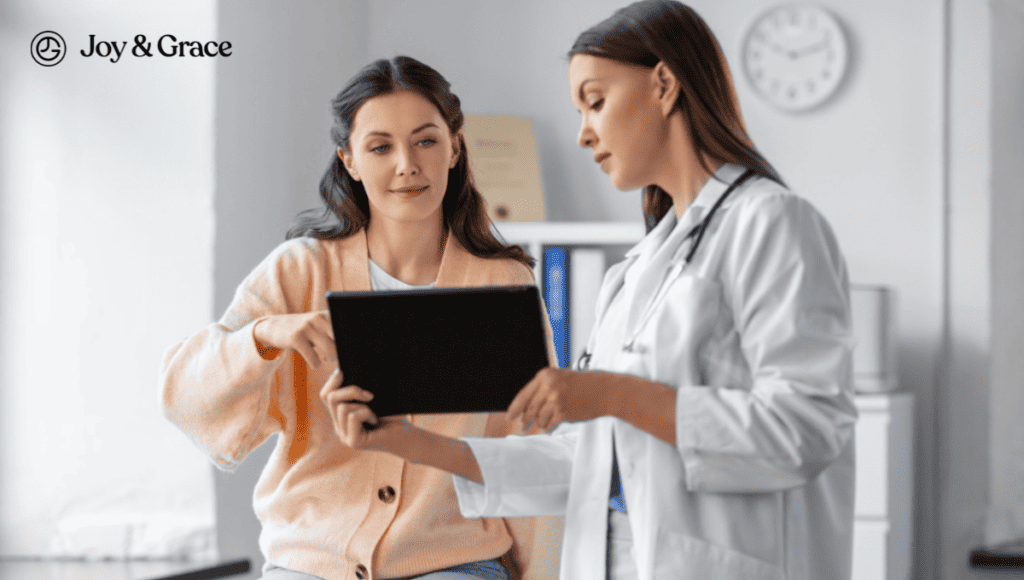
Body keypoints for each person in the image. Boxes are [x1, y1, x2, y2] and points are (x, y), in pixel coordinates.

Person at [322, 2, 857, 580]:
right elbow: (589, 463)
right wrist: (410, 443)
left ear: (664, 84)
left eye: (595, 101)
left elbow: (806, 429)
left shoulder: (771, 222)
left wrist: (609, 394)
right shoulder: (635, 270)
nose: (582, 134)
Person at [159, 56, 563, 580]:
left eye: (425, 140)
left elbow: (529, 452)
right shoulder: (300, 269)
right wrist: (265, 335)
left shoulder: (502, 282)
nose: (406, 164)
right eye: (380, 146)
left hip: (453, 562)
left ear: (455, 147)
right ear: (348, 159)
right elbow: (186, 399)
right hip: (310, 562)